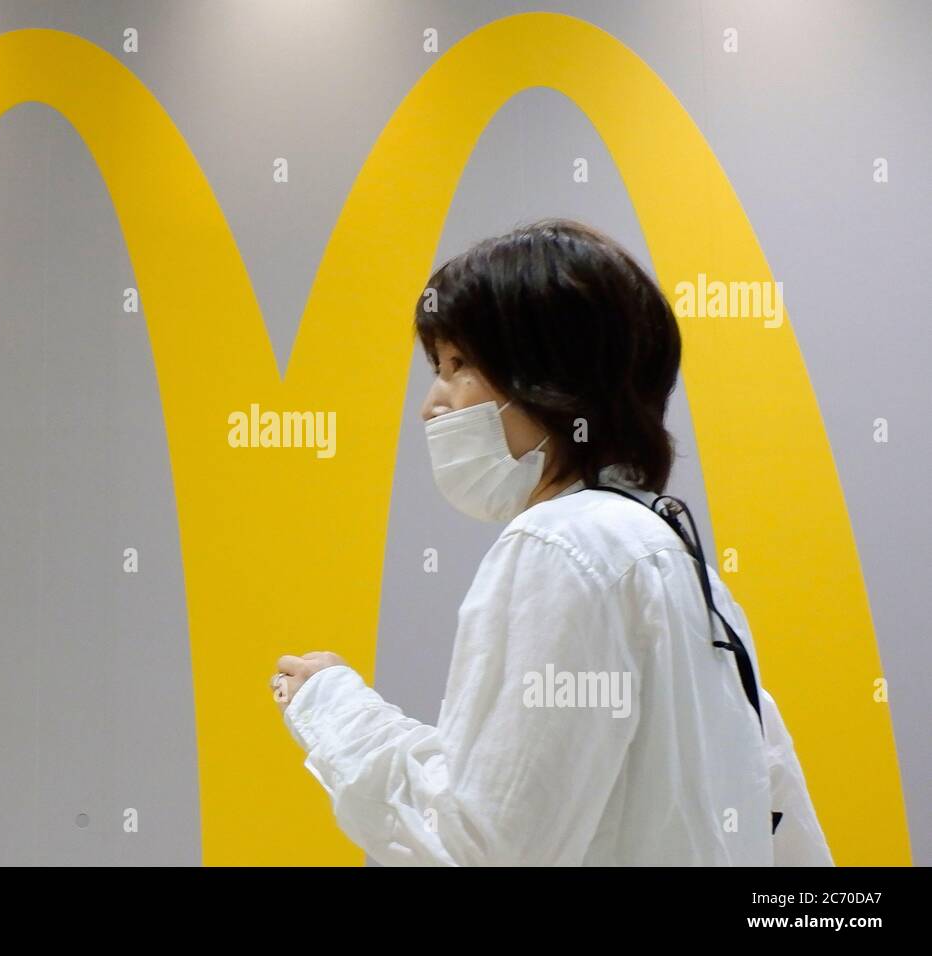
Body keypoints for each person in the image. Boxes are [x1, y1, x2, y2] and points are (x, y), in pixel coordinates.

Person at [270, 219, 833, 866]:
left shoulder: (560, 547)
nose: (431, 404)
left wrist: (335, 711)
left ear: (549, 377)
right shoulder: (679, 561)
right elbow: (783, 825)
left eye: (458, 365)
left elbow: (478, 848)